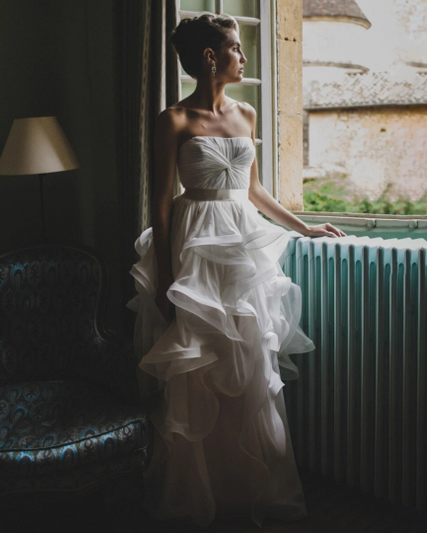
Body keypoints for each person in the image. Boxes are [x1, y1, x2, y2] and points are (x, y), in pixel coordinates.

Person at [127, 12, 346, 528]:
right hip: (193, 246)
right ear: (210, 57)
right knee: (198, 366)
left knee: (248, 360)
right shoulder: (173, 120)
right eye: (236, 48)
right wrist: (163, 275)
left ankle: (250, 487)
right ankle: (195, 491)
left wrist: (304, 226)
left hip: (242, 247)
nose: (243, 57)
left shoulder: (246, 114)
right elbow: (160, 204)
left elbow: (254, 190)